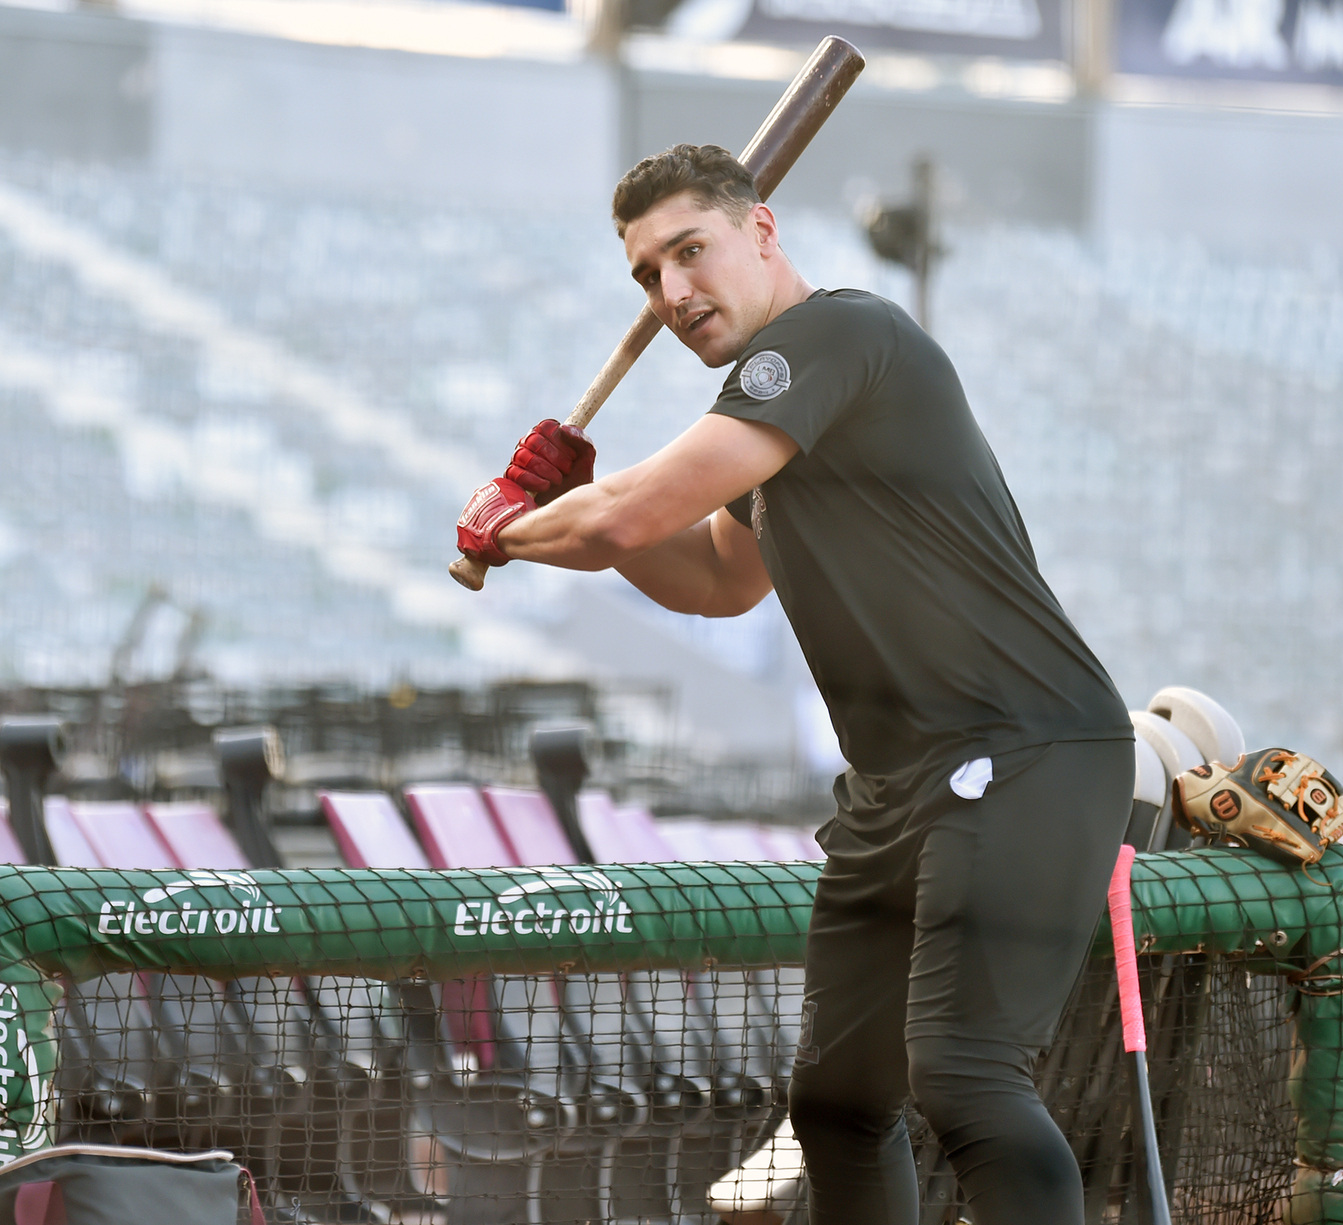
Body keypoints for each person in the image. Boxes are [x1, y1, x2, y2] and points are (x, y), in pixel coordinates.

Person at [456, 144, 1134, 1224]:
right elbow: (717, 579)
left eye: (691, 251)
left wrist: (514, 524)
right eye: (646, 274)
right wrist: (573, 516)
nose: (673, 292)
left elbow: (627, 517)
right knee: (836, 1102)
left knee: (964, 1076)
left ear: (760, 232)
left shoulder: (836, 337)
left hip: (1022, 750)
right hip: (899, 782)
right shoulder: (775, 413)